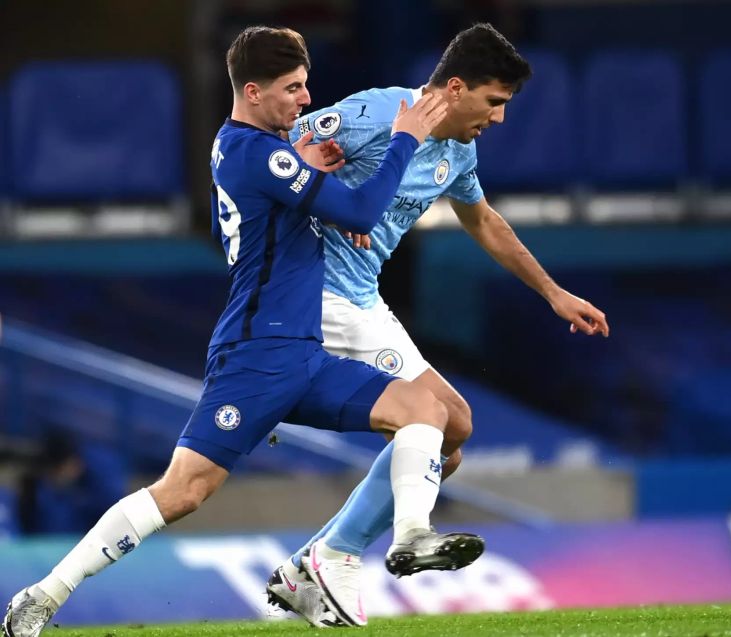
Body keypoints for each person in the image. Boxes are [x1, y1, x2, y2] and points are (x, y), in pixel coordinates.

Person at [3, 25, 483, 637]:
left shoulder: (250, 150)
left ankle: (410, 535)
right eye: (292, 89)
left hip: (304, 353)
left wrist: (312, 179)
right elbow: (360, 210)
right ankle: (43, 595)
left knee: (428, 410)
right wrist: (405, 139)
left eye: (306, 86)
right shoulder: (257, 154)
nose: (305, 100)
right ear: (252, 92)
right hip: (255, 356)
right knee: (182, 492)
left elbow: (304, 207)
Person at [265, 22, 610, 629]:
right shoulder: (376, 113)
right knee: (433, 417)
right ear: (454, 87)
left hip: (363, 298)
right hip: (317, 295)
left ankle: (310, 565)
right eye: (494, 103)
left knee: (454, 432)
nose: (499, 120)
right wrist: (316, 178)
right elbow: (270, 153)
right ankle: (367, 547)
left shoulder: (458, 151)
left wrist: (553, 293)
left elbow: (484, 222)